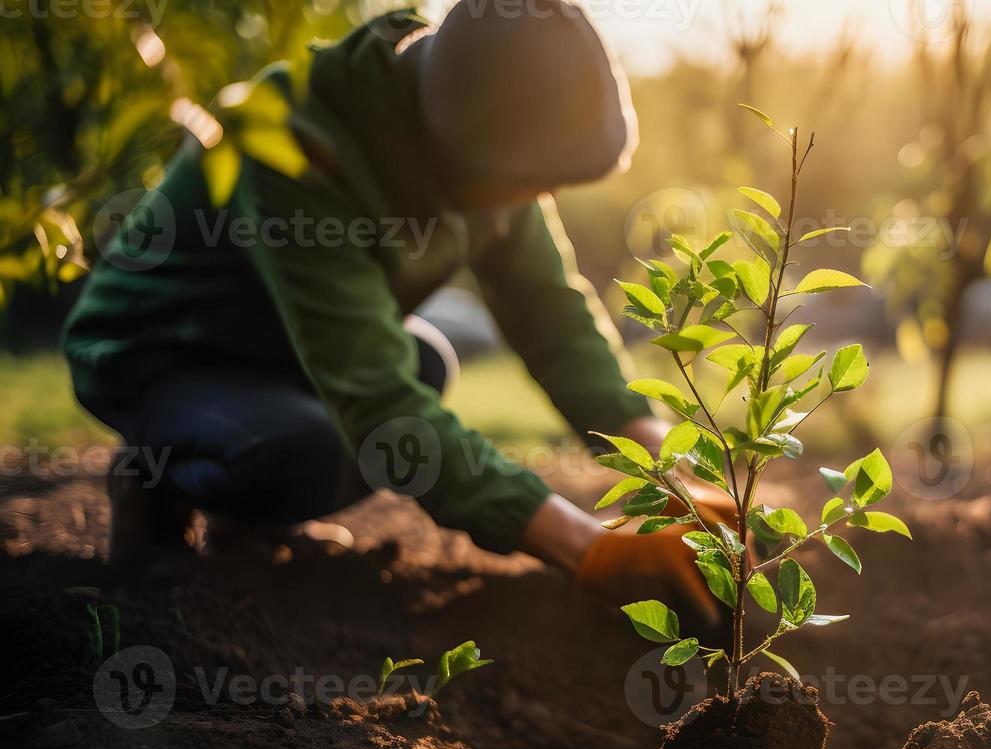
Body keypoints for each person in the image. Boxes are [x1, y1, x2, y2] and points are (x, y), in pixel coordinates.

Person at [63, 3, 724, 620]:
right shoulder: (296, 145)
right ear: (465, 143)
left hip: (278, 349)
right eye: (534, 182)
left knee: (427, 362)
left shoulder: (491, 156)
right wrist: (588, 548)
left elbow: (554, 318)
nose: (539, 197)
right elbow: (380, 405)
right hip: (158, 354)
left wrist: (671, 471)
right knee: (314, 453)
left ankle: (245, 518)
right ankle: (156, 483)